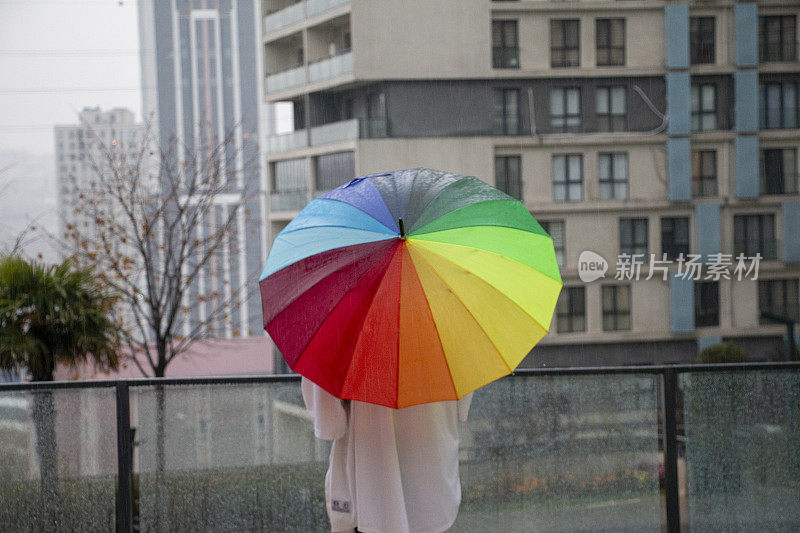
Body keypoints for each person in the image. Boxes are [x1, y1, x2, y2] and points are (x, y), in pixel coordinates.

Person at [301, 376, 473, 533]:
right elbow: (463, 402)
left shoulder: (340, 340)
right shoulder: (458, 341)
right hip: (433, 480)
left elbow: (330, 423)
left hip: (369, 488)